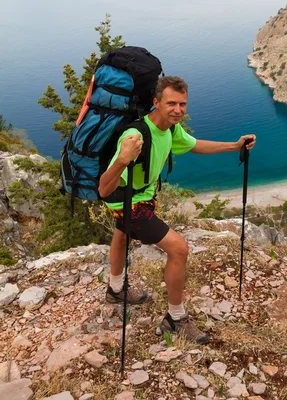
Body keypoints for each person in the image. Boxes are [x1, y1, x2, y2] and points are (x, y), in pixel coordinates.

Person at [98, 75, 256, 344]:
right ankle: (176, 318)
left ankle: (115, 289)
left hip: (141, 195)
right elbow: (103, 188)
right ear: (156, 102)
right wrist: (123, 160)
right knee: (179, 248)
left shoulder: (171, 129)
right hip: (125, 199)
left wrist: (235, 146)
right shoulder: (135, 135)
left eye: (182, 104)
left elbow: (195, 145)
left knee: (121, 235)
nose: (178, 110)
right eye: (171, 103)